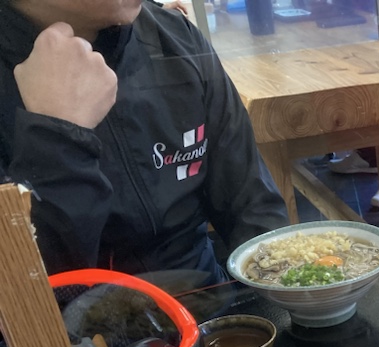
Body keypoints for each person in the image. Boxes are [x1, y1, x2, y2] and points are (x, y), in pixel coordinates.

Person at [0, 0, 289, 289]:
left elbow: (254, 207)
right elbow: (25, 291)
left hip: (209, 301)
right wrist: (58, 138)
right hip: (75, 314)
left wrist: (280, 294)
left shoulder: (174, 38)